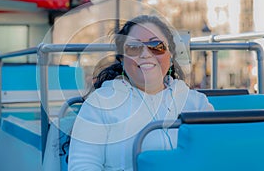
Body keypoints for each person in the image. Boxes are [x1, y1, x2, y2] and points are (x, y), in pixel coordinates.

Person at [68, 15, 214, 171]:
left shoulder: (197, 103)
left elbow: (214, 156)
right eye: (134, 47)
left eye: (156, 46)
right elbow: (83, 165)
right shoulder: (100, 103)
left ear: (171, 56)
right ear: (122, 60)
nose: (145, 54)